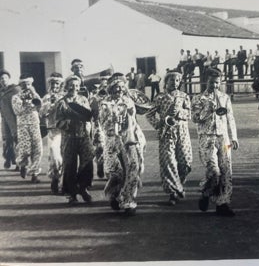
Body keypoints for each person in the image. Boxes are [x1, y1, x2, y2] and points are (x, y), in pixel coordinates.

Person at [191, 68, 239, 217]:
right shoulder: (198, 99)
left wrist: (234, 137)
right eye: (212, 82)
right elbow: (195, 118)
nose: (215, 85)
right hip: (207, 138)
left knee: (226, 171)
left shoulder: (225, 97)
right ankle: (206, 193)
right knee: (214, 171)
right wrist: (208, 110)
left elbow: (230, 118)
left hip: (224, 138)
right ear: (206, 81)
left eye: (217, 82)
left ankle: (223, 203)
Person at [98, 73, 146, 215]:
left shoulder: (128, 101)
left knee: (133, 168)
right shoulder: (105, 104)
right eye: (116, 88)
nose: (119, 90)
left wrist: (131, 114)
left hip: (129, 139)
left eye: (121, 88)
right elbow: (103, 124)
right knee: (116, 172)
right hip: (112, 141)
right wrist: (113, 119)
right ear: (111, 89)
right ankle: (114, 194)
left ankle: (128, 201)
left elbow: (136, 119)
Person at [146, 71, 192, 205]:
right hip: (166, 134)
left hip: (182, 133)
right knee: (168, 163)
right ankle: (173, 192)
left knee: (185, 162)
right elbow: (149, 114)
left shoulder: (184, 96)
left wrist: (180, 113)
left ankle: (179, 185)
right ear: (166, 82)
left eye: (177, 80)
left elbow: (189, 113)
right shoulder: (160, 97)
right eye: (172, 80)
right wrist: (158, 124)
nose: (175, 83)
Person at [56, 75, 95, 205]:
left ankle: (83, 188)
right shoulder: (61, 102)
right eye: (71, 85)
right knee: (69, 165)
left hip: (84, 136)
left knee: (88, 162)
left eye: (77, 85)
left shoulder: (83, 99)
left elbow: (89, 116)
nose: (74, 88)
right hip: (69, 138)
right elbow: (57, 122)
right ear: (66, 86)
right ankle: (72, 193)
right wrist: (69, 123)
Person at [12, 73, 43, 183]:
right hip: (23, 126)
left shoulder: (35, 94)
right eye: (24, 84)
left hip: (35, 124)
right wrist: (25, 102)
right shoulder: (16, 97)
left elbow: (41, 107)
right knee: (25, 150)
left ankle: (34, 173)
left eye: (29, 84)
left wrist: (34, 95)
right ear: (20, 85)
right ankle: (22, 165)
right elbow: (17, 111)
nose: (27, 86)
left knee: (38, 149)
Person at [40, 72, 64, 194]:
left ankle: (63, 179)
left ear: (60, 84)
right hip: (51, 131)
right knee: (53, 157)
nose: (55, 86)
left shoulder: (65, 96)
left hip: (63, 130)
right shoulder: (46, 97)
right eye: (53, 83)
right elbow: (41, 114)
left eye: (57, 83)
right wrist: (48, 105)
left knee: (57, 153)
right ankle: (55, 179)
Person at [0, 70, 20, 169]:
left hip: (15, 118)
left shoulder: (15, 89)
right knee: (7, 140)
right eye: (1, 78)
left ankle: (19, 162)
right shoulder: (0, 92)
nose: (3, 80)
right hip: (5, 120)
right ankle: (8, 158)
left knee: (17, 139)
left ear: (9, 79)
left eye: (5, 78)